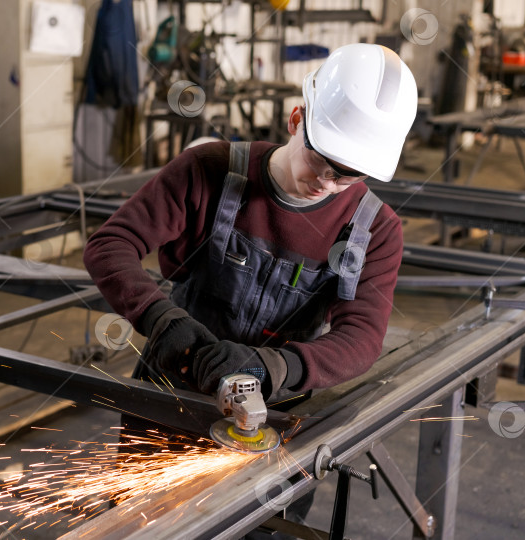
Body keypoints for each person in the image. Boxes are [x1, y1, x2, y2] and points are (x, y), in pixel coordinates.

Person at [83, 42, 417, 531]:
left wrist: (275, 366)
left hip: (269, 423)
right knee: (142, 525)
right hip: (171, 397)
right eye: (321, 158)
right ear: (296, 118)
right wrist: (161, 318)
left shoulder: (375, 230)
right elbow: (110, 245)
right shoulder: (211, 170)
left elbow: (362, 338)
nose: (326, 181)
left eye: (348, 173)